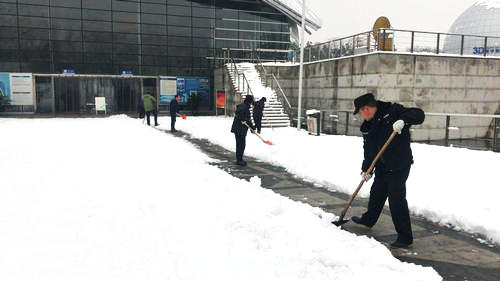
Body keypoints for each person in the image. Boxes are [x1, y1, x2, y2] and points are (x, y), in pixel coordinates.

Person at [350, 93, 425, 249]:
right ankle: (369, 220)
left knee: (396, 198)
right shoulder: (368, 125)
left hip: (399, 164)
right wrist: (366, 169)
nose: (361, 116)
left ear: (367, 109)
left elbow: (419, 114)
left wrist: (403, 120)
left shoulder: (393, 111)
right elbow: (369, 150)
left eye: (361, 112)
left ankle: (405, 238)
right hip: (383, 165)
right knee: (377, 192)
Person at [231, 95, 255, 166]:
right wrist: (252, 128)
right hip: (240, 129)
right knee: (241, 145)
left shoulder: (242, 106)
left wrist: (252, 128)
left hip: (237, 128)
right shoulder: (245, 108)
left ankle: (239, 159)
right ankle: (239, 160)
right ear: (250, 101)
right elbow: (247, 120)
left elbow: (244, 118)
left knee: (239, 144)